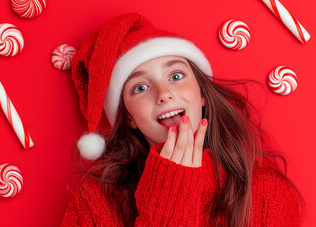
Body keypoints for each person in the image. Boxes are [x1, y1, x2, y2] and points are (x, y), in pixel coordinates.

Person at [61, 13, 302, 226]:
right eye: (141, 87)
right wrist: (168, 196)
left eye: (176, 75)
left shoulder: (267, 193)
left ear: (202, 95)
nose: (164, 93)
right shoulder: (94, 205)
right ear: (130, 118)